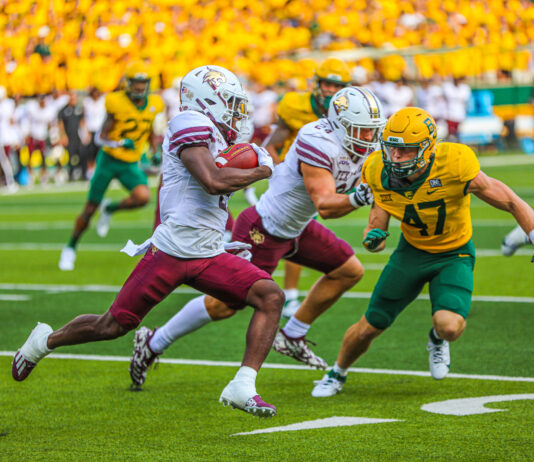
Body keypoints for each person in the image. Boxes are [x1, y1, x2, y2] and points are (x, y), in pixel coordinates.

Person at [12, 64, 282, 418]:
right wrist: (261, 169)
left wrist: (255, 161)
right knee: (112, 325)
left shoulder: (217, 135)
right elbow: (212, 181)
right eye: (229, 103)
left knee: (270, 297)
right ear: (206, 101)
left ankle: (242, 385)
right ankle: (43, 342)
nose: (236, 112)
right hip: (171, 251)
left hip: (209, 252)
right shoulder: (189, 123)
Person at [129, 86, 387, 387]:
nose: (368, 139)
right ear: (339, 124)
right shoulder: (318, 140)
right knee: (224, 304)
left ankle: (292, 334)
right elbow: (326, 205)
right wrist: (359, 198)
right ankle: (153, 342)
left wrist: (376, 224)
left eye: (372, 131)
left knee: (348, 271)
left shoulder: (368, 148)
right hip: (263, 228)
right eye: (361, 130)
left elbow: (376, 193)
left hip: (298, 227)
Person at [311, 107, 534, 398]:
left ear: (428, 148)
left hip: (454, 253)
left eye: (406, 150)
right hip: (411, 252)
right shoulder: (377, 169)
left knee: (449, 326)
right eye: (392, 149)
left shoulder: (454, 162)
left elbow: (510, 200)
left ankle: (437, 338)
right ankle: (336, 372)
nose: (396, 157)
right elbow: (375, 231)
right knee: (370, 325)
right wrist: (372, 240)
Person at [264, 58, 351, 318]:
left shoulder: (348, 111)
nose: (331, 90)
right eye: (327, 84)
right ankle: (284, 293)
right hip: (294, 179)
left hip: (320, 176)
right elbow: (271, 143)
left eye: (337, 86)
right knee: (284, 232)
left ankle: (283, 292)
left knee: (292, 233)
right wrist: (278, 171)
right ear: (316, 84)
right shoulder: (294, 105)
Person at [58, 61, 164, 271]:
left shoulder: (154, 104)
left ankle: (110, 208)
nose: (140, 88)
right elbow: (99, 137)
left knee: (143, 197)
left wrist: (154, 150)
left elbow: (150, 128)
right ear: (128, 83)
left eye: (144, 83)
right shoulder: (116, 102)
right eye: (137, 83)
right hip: (109, 160)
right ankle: (70, 247)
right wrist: (118, 142)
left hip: (130, 163)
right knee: (89, 209)